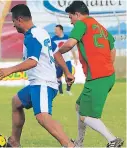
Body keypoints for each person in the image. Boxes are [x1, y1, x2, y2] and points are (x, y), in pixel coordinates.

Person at [0, 4, 75, 147]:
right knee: (16, 102)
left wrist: (9, 70)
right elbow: (56, 53)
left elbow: (32, 62)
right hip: (37, 83)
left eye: (13, 21)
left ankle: (70, 145)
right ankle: (14, 142)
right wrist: (67, 72)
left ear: (19, 20)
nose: (13, 25)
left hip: (43, 83)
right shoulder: (41, 32)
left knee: (42, 117)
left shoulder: (31, 36)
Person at [57, 1, 124, 147]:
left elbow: (69, 44)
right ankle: (79, 143)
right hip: (106, 75)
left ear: (77, 14)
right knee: (79, 107)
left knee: (85, 116)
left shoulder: (82, 24)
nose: (71, 21)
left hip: (98, 77)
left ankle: (113, 140)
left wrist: (57, 53)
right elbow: (112, 49)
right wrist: (106, 66)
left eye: (71, 17)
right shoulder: (100, 27)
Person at [51, 24, 77, 96]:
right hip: (58, 61)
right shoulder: (53, 39)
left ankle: (68, 90)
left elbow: (72, 49)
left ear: (61, 30)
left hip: (67, 60)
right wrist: (55, 60)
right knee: (58, 76)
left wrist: (75, 58)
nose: (55, 31)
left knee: (69, 75)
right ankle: (61, 92)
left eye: (57, 30)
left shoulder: (67, 38)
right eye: (55, 30)